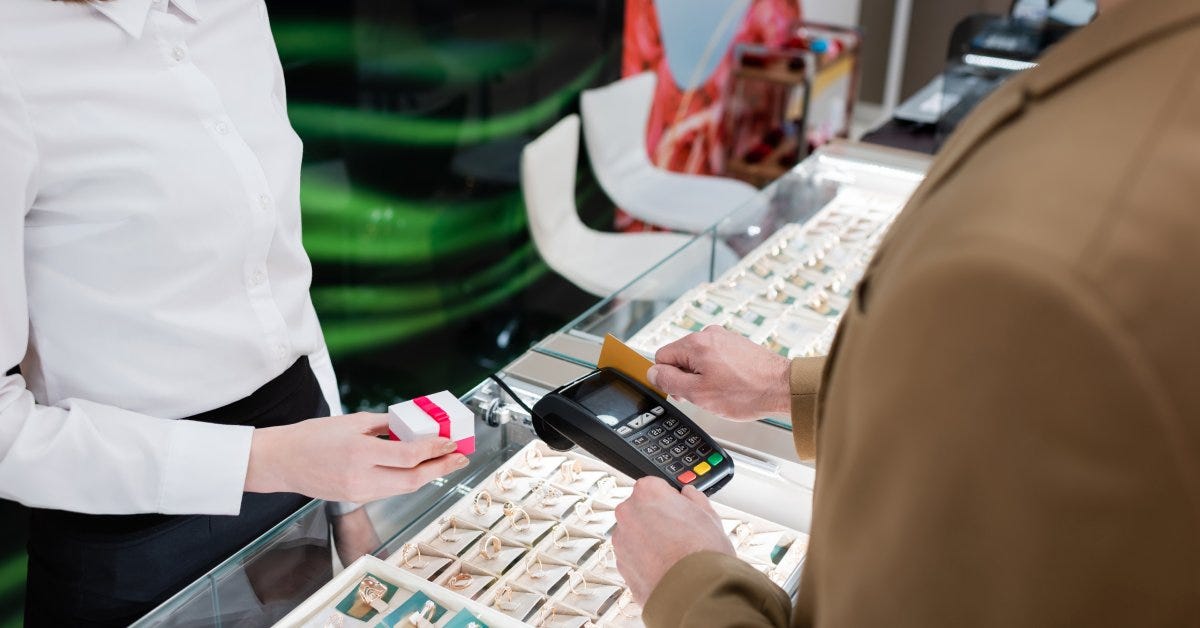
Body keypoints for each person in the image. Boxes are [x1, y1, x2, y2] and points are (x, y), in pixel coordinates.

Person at [611, 0, 1200, 625]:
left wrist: (686, 580)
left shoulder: (1054, 255)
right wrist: (787, 387)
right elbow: (1014, 403)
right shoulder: (1141, 89)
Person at [0, 1, 468, 623]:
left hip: (300, 471)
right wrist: (270, 460)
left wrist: (345, 507)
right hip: (134, 530)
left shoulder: (232, 8)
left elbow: (275, 286)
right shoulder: (16, 54)